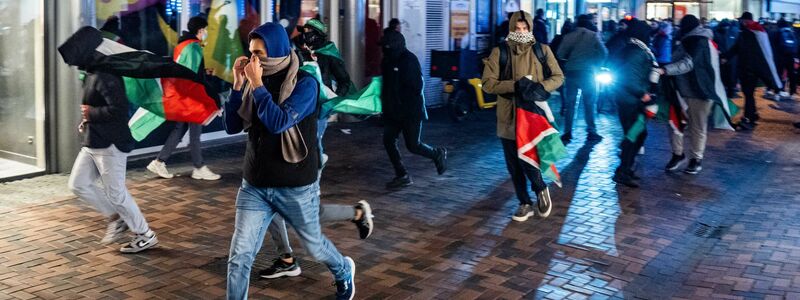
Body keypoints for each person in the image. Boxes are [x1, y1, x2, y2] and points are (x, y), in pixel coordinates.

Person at [222, 22, 355, 300]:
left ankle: (343, 271)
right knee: (239, 256)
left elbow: (278, 122)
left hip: (294, 184)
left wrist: (256, 84)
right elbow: (232, 125)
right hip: (255, 184)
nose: (253, 60)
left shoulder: (305, 82)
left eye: (259, 53)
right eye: (251, 53)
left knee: (315, 247)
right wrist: (237, 85)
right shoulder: (251, 80)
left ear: (278, 50)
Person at [481, 10, 564, 222]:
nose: (521, 32)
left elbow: (558, 76)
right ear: (511, 28)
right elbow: (488, 84)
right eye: (517, 29)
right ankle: (524, 202)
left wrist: (540, 87)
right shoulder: (500, 52)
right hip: (508, 116)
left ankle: (540, 188)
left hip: (533, 114)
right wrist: (515, 86)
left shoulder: (542, 50)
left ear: (530, 27)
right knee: (513, 164)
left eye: (524, 28)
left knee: (530, 159)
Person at [67, 71, 159, 254]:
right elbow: (94, 106)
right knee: (78, 184)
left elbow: (119, 109)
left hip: (110, 144)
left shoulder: (106, 76)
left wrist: (91, 113)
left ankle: (145, 234)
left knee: (116, 193)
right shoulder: (90, 74)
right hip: (92, 141)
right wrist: (86, 120)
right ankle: (117, 218)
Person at [146, 16, 220, 181]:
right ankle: (199, 167)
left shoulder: (182, 45)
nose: (206, 33)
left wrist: (203, 72)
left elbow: (186, 70)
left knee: (180, 130)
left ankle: (159, 161)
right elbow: (192, 77)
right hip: (191, 97)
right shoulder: (193, 47)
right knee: (194, 132)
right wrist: (209, 94)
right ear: (200, 30)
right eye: (205, 30)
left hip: (182, 95)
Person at [380, 30, 448, 189]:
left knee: (413, 145)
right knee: (388, 140)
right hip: (393, 112)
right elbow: (386, 86)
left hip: (410, 112)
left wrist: (400, 103)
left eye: (386, 47)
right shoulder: (386, 61)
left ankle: (437, 153)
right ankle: (402, 175)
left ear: (395, 46)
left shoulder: (409, 61)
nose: (384, 50)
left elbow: (416, 87)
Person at [658, 15, 720, 175]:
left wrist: (666, 70)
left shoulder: (699, 41)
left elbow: (688, 63)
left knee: (697, 127)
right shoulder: (688, 39)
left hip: (699, 91)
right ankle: (678, 154)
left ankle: (696, 159)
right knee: (674, 124)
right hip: (680, 89)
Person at [607, 19, 659, 188]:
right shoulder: (636, 52)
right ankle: (622, 172)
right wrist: (642, 94)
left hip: (629, 98)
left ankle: (625, 169)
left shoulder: (633, 49)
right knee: (634, 135)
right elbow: (628, 77)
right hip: (631, 100)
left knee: (637, 134)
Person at [301, 19, 354, 165]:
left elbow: (344, 80)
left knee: (314, 139)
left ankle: (316, 169)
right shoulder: (304, 52)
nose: (304, 35)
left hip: (321, 106)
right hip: (304, 104)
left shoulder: (329, 54)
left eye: (307, 32)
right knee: (307, 139)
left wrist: (334, 101)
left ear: (317, 34)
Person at [722, 12, 782, 129]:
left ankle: (748, 118)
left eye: (742, 20)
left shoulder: (750, 33)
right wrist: (725, 57)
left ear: (746, 21)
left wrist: (725, 57)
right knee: (749, 94)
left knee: (748, 95)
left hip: (748, 70)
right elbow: (738, 48)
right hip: (751, 70)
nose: (741, 23)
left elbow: (743, 51)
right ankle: (752, 115)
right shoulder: (755, 32)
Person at [556, 14, 608, 143]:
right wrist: (597, 64)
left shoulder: (568, 36)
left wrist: (570, 59)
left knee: (570, 104)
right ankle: (591, 131)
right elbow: (604, 53)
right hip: (588, 73)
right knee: (590, 104)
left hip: (572, 72)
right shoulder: (593, 35)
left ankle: (567, 133)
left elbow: (560, 54)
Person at [772, 18, 798, 100]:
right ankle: (792, 93)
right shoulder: (791, 32)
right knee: (791, 74)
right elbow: (796, 44)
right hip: (790, 56)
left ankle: (777, 93)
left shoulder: (778, 32)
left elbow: (774, 45)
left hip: (781, 56)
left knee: (779, 74)